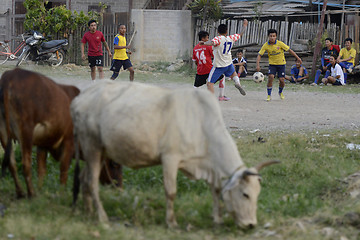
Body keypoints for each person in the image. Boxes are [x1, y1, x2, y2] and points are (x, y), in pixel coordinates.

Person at [199, 20, 248, 96]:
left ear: (218, 31)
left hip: (219, 65)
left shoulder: (218, 38)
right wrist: (245, 25)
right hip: (228, 63)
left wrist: (204, 43)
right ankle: (237, 83)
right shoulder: (230, 38)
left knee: (209, 83)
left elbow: (212, 43)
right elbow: (241, 34)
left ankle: (211, 102)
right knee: (233, 73)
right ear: (227, 31)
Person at [256, 29, 302, 101]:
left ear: (276, 36)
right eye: (270, 36)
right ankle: (269, 95)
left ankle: (280, 92)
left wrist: (298, 58)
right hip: (272, 65)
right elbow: (259, 55)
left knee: (282, 80)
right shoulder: (266, 45)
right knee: (271, 77)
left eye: (273, 36)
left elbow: (289, 50)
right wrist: (257, 65)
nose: (272, 37)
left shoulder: (280, 44)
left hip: (281, 64)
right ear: (268, 36)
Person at [193, 31, 229, 101]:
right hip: (209, 70)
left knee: (196, 86)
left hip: (200, 71)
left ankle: (193, 98)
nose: (208, 40)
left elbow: (195, 61)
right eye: (207, 38)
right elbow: (215, 56)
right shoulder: (208, 46)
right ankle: (221, 96)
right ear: (203, 38)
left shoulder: (195, 48)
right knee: (222, 77)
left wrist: (200, 66)